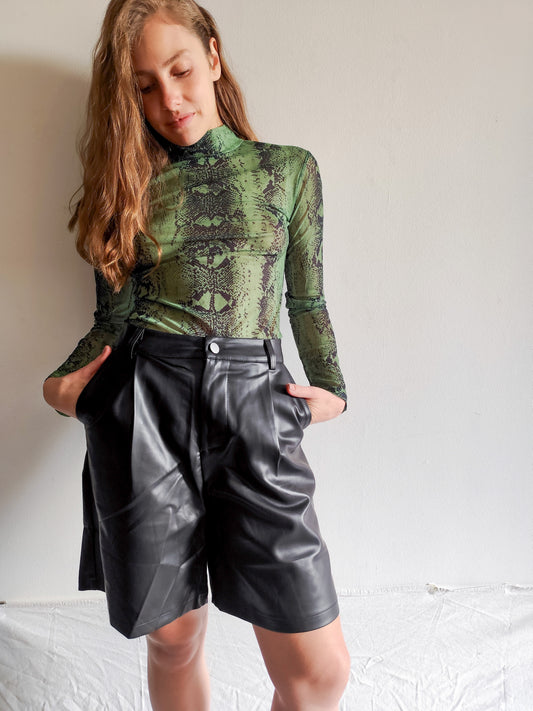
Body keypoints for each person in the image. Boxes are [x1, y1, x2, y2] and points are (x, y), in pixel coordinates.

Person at [43, 1, 350, 708]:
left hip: (256, 406)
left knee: (320, 671)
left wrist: (331, 386)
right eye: (144, 86)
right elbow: (112, 321)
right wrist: (63, 387)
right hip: (144, 407)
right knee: (174, 636)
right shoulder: (126, 189)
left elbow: (305, 299)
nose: (169, 99)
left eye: (180, 70)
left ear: (212, 56)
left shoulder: (288, 171)